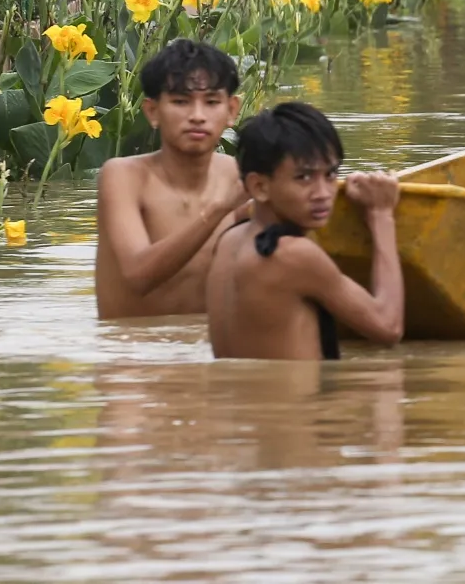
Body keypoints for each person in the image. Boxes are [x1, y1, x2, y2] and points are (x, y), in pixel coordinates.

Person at [206, 103, 404, 360]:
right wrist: (381, 215)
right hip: (299, 402)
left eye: (331, 174)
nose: (323, 194)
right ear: (259, 186)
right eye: (304, 178)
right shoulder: (293, 255)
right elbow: (389, 327)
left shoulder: (227, 241)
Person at [95, 39, 249, 319]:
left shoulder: (239, 176)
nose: (197, 116)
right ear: (152, 111)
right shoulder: (122, 177)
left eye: (212, 102)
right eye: (181, 102)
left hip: (209, 351)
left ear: (231, 110)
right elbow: (138, 274)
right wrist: (219, 211)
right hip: (133, 353)